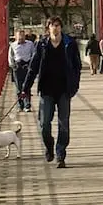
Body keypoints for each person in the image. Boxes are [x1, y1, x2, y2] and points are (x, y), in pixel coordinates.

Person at [22, 17, 82, 168]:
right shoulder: (42, 44)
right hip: (46, 89)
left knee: (64, 123)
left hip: (64, 89)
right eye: (52, 26)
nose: (55, 28)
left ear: (61, 27)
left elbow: (77, 66)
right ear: (48, 28)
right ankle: (49, 146)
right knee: (44, 123)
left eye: (57, 25)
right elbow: (33, 67)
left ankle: (60, 154)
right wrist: (25, 87)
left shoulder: (69, 43)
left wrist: (75, 85)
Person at [7, 28, 36, 113]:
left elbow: (34, 54)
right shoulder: (13, 45)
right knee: (19, 87)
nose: (21, 38)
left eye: (22, 36)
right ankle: (20, 105)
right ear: (16, 37)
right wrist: (13, 66)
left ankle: (27, 105)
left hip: (27, 66)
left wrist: (31, 65)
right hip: (17, 66)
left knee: (27, 86)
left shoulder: (30, 44)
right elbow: (10, 56)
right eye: (19, 36)